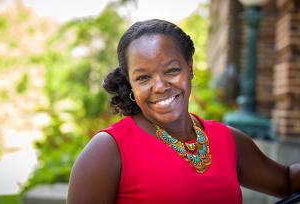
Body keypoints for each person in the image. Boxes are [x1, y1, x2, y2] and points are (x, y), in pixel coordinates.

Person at [67, 19, 300, 204]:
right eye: (143, 77)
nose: (159, 86)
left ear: (190, 68)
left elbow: (287, 182)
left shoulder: (227, 139)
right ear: (130, 83)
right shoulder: (108, 150)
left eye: (171, 70)